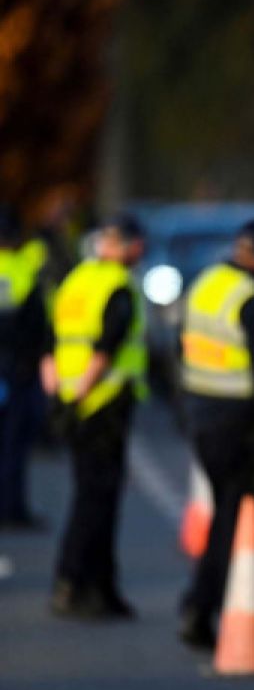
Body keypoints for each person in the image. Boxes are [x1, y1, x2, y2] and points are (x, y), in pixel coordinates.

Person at [177, 218, 254, 648]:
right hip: (240, 423)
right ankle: (202, 607)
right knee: (235, 519)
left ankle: (246, 600)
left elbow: (178, 348)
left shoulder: (207, 283)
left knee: (233, 515)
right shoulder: (252, 300)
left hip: (203, 413)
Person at [44, 213, 147, 618]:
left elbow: (51, 343)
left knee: (90, 495)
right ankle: (76, 582)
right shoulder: (117, 286)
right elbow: (106, 348)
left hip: (73, 400)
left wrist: (59, 398)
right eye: (137, 243)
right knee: (98, 500)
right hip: (102, 402)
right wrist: (84, 393)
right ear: (127, 245)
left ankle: (100, 587)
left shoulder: (76, 282)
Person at [0, 207, 50, 529]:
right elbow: (35, 325)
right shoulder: (21, 270)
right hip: (14, 369)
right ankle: (11, 509)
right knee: (13, 443)